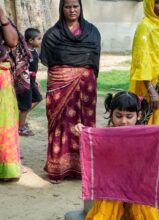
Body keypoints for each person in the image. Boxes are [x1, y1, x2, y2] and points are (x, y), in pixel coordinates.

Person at [73, 92, 159, 220]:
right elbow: (91, 139)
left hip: (137, 184)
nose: (123, 121)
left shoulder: (145, 135)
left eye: (129, 116)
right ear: (111, 114)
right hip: (112, 185)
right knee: (105, 212)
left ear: (138, 115)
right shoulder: (105, 135)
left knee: (143, 212)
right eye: (118, 116)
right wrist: (80, 130)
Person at [40, 0, 101, 183]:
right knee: (60, 124)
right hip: (60, 83)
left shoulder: (92, 32)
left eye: (75, 6)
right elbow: (48, 60)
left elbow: (94, 57)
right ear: (62, 9)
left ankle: (84, 169)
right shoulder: (53, 34)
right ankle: (58, 168)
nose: (72, 10)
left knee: (84, 123)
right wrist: (69, 70)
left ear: (80, 8)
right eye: (68, 6)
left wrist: (80, 71)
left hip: (86, 86)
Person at [129, 0, 159, 181]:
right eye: (158, 3)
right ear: (150, 5)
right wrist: (151, 90)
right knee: (153, 125)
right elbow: (140, 60)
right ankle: (149, 172)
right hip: (152, 84)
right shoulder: (144, 26)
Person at [0, 6, 24, 182]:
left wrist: (2, 16)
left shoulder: (3, 19)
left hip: (1, 76)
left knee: (4, 121)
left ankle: (5, 168)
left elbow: (13, 41)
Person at [16, 28, 43, 136]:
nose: (40, 41)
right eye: (39, 39)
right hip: (25, 83)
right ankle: (21, 128)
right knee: (25, 106)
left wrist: (35, 80)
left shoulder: (34, 51)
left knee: (38, 98)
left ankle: (21, 117)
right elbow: (21, 69)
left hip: (31, 81)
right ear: (31, 41)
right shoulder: (24, 53)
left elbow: (33, 69)